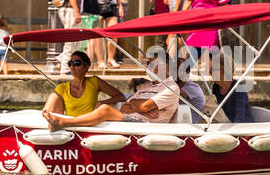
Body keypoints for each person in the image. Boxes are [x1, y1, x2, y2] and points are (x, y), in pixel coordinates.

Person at [44, 52, 180, 127]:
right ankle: (55, 122)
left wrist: (141, 106)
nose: (151, 67)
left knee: (104, 109)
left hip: (145, 124)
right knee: (103, 109)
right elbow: (125, 107)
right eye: (149, 64)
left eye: (156, 64)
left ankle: (65, 122)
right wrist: (137, 106)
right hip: (130, 119)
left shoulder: (171, 87)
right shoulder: (146, 85)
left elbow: (141, 105)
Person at [179, 0, 232, 75]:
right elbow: (224, 4)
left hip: (197, 22)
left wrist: (180, 20)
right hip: (211, 22)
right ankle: (223, 76)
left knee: (194, 49)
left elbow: (187, 4)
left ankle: (181, 76)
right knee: (214, 51)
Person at [40, 50, 125, 121]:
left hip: (90, 123)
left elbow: (121, 97)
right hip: (70, 126)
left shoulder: (94, 81)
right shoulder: (62, 88)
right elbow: (47, 110)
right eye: (70, 63)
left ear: (86, 67)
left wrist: (102, 103)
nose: (72, 66)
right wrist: (46, 112)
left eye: (77, 63)